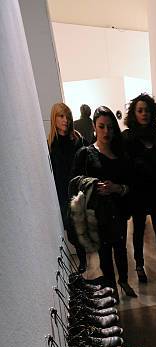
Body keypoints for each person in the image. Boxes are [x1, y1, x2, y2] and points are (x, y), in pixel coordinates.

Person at [72, 106, 137, 299]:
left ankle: (123, 281)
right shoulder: (86, 154)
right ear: (94, 127)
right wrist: (93, 186)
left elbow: (131, 184)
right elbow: (75, 182)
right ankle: (112, 288)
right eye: (101, 126)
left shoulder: (122, 155)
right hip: (97, 213)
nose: (106, 131)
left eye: (109, 127)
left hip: (119, 210)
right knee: (105, 253)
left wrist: (116, 188)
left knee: (121, 248)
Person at [122, 94, 156, 283]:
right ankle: (139, 264)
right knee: (139, 230)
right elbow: (126, 168)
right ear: (134, 113)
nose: (144, 114)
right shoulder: (126, 137)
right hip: (138, 192)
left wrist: (149, 166)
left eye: (147, 110)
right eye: (140, 110)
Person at [48, 102, 88, 272]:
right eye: (61, 116)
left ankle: (86, 261)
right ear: (54, 119)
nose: (66, 120)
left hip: (79, 193)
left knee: (82, 228)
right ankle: (84, 259)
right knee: (71, 232)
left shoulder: (77, 140)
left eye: (68, 116)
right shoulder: (50, 144)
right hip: (61, 194)